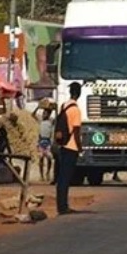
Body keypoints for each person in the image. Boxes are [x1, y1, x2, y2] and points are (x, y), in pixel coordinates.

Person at [56, 82, 83, 216]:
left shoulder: (64, 106)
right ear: (79, 93)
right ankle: (63, 207)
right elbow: (76, 132)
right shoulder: (76, 110)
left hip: (62, 145)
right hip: (71, 147)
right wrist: (80, 148)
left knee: (61, 178)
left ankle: (61, 205)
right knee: (66, 178)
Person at [33, 104, 55, 182]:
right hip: (41, 141)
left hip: (48, 141)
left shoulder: (51, 121)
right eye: (43, 113)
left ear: (49, 114)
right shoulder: (40, 120)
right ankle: (41, 175)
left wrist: (54, 109)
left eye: (45, 113)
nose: (43, 114)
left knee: (49, 158)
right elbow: (33, 115)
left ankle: (48, 173)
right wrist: (38, 107)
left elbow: (57, 118)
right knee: (41, 159)